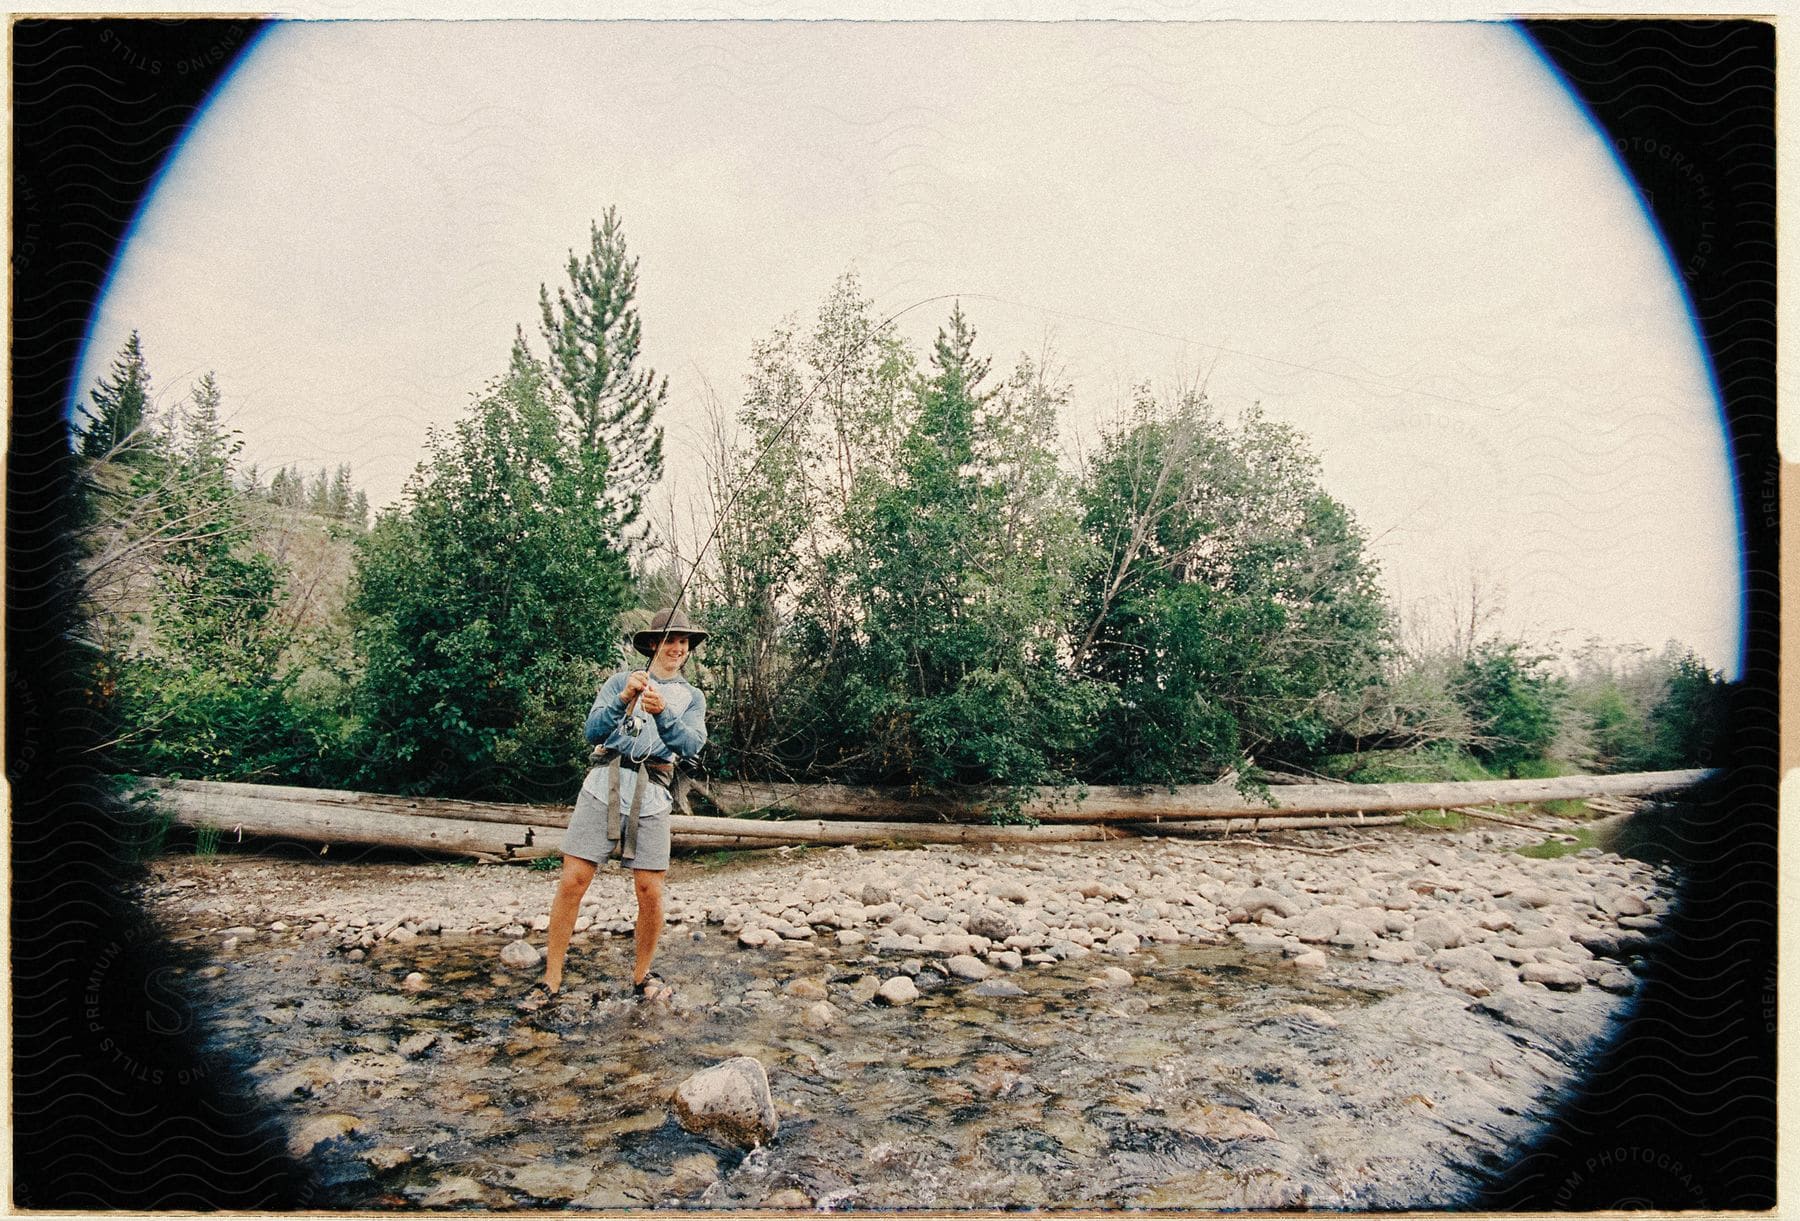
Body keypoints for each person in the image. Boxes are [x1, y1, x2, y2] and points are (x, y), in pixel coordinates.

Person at [521, 607, 709, 1010]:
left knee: (650, 891)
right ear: (653, 644)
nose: (676, 647)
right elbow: (592, 731)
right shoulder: (620, 682)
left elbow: (691, 747)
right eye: (669, 640)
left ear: (689, 648)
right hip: (601, 788)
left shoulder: (693, 698)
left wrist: (664, 715)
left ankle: (643, 975)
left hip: (654, 796)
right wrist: (624, 699)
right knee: (573, 881)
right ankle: (550, 980)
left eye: (683, 641)